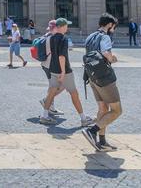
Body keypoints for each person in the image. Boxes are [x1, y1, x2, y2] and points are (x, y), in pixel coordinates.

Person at [39, 18, 93, 127]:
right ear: (62, 26)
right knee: (74, 94)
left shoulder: (51, 37)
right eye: (66, 25)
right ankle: (83, 119)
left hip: (53, 69)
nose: (67, 27)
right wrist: (63, 72)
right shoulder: (64, 39)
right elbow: (62, 57)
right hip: (65, 71)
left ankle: (44, 116)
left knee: (51, 93)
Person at [82, 13, 122, 152]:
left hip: (92, 77)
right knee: (117, 111)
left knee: (103, 109)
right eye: (114, 27)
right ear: (110, 25)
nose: (114, 30)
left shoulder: (90, 36)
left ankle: (102, 142)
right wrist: (113, 59)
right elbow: (106, 53)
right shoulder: (105, 37)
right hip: (105, 78)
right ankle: (92, 131)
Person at [37, 20, 63, 117]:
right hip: (51, 65)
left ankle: (51, 107)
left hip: (45, 64)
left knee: (52, 86)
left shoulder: (46, 35)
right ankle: (46, 101)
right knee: (61, 85)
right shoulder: (53, 38)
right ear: (55, 28)